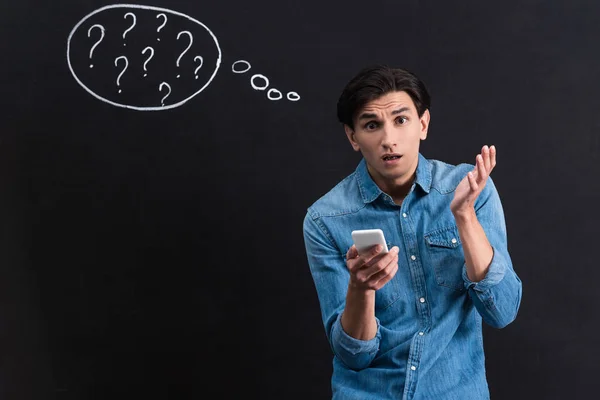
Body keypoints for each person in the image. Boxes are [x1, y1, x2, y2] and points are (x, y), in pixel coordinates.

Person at [302, 65, 523, 400]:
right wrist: (361, 288)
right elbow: (354, 355)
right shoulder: (325, 219)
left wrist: (463, 216)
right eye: (372, 125)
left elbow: (502, 311)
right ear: (353, 136)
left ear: (423, 124)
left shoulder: (469, 189)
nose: (389, 139)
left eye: (401, 120)